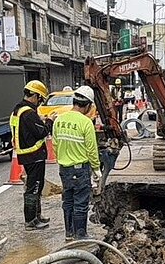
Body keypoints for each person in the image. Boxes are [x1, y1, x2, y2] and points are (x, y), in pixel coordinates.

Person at [52, 85, 101, 242]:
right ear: (87, 105)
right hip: (80, 169)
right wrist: (96, 169)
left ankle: (69, 234)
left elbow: (55, 145)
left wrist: (64, 158)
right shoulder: (85, 123)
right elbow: (92, 149)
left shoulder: (59, 120)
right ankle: (81, 235)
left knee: (68, 200)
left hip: (64, 168)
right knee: (80, 203)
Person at [12, 80, 52, 230]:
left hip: (27, 154)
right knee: (34, 187)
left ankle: (36, 215)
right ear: (34, 95)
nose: (40, 103)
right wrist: (49, 121)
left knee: (37, 185)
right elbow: (41, 132)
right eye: (40, 99)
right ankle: (31, 220)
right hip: (33, 154)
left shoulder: (18, 109)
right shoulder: (28, 113)